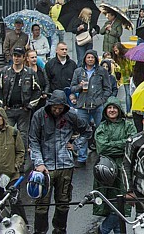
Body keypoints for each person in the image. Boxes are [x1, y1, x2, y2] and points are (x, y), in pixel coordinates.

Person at [29, 90, 91, 234]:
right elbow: (33, 140)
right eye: (54, 108)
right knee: (42, 204)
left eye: (60, 108)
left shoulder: (71, 116)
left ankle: (60, 229)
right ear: (50, 105)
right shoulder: (39, 116)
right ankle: (40, 231)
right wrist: (39, 162)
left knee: (63, 202)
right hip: (44, 167)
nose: (57, 111)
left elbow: (87, 130)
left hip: (66, 165)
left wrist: (76, 145)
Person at [94, 97, 137, 234]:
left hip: (125, 167)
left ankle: (103, 230)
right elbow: (102, 148)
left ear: (119, 109)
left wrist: (112, 144)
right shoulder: (102, 127)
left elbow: (133, 143)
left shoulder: (128, 125)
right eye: (109, 108)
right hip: (105, 168)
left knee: (123, 202)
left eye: (114, 108)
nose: (112, 110)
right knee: (109, 202)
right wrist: (122, 144)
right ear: (106, 110)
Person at [70, 49, 113, 165]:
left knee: (101, 131)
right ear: (85, 58)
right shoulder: (78, 71)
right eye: (88, 57)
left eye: (92, 57)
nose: (90, 59)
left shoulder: (102, 71)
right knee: (83, 131)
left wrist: (102, 100)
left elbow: (108, 88)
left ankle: (102, 156)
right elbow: (72, 88)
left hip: (97, 106)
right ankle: (82, 157)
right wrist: (79, 86)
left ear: (95, 59)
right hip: (82, 105)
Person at [0, 45, 42, 147]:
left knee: (23, 135)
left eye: (19, 56)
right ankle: (7, 158)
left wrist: (30, 105)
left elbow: (37, 91)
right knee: (6, 134)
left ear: (24, 57)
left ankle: (22, 160)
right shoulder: (4, 71)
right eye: (15, 56)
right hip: (8, 109)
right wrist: (1, 105)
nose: (16, 58)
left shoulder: (30, 73)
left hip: (23, 110)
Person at [0, 107, 27, 223]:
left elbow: (21, 151)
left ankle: (23, 225)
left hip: (12, 175)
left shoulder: (14, 132)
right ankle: (2, 226)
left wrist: (17, 164)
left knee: (15, 202)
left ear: (3, 117)